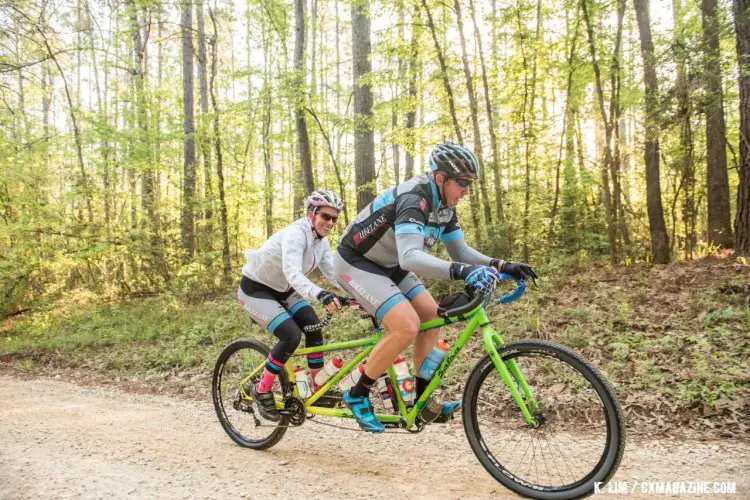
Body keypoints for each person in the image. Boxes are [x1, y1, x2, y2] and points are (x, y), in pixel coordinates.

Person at [334, 142, 537, 432]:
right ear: (440, 178)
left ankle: (422, 397)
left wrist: (502, 265)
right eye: (463, 184)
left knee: (431, 317)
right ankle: (357, 393)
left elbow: (460, 253)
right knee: (406, 325)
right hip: (355, 262)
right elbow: (411, 257)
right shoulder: (414, 199)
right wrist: (464, 273)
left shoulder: (444, 206)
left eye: (470, 184)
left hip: (389, 263)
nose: (467, 191)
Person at [238, 190, 345, 421]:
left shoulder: (322, 243)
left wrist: (359, 295)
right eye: (326, 216)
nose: (330, 223)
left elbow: (334, 276)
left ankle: (317, 387)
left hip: (284, 290)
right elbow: (293, 273)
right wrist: (321, 295)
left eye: (334, 218)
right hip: (256, 290)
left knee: (313, 326)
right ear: (311, 214)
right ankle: (262, 389)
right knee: (291, 335)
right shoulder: (296, 234)